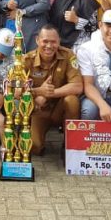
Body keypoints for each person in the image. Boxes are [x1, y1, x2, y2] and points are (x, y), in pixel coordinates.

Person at [22, 25, 82, 155]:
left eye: (53, 42)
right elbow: (16, 91)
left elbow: (77, 86)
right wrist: (38, 91)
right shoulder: (27, 60)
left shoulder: (68, 55)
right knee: (34, 148)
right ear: (37, 40)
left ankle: (69, 146)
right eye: (45, 41)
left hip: (59, 109)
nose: (49, 46)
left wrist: (51, 93)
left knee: (72, 100)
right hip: (39, 111)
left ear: (59, 41)